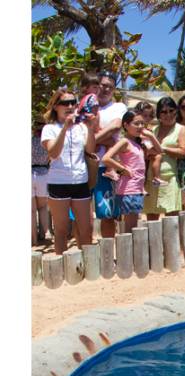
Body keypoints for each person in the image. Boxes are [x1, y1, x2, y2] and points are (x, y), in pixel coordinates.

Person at [41, 87, 97, 255]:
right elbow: (53, 153)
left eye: (73, 102)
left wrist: (91, 127)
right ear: (56, 106)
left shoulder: (81, 128)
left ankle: (87, 267)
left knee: (85, 228)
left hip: (80, 181)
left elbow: (91, 150)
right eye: (66, 102)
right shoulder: (49, 129)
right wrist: (65, 128)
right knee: (61, 230)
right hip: (58, 182)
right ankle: (61, 269)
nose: (71, 106)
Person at [101, 110, 163, 235]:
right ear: (126, 125)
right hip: (129, 190)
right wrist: (123, 169)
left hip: (137, 189)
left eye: (142, 123)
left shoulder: (139, 143)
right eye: (136, 124)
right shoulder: (124, 142)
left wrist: (150, 136)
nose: (140, 127)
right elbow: (106, 158)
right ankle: (128, 253)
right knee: (130, 229)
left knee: (133, 227)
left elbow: (159, 150)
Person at [142, 97, 185, 222]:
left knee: (173, 221)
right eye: (164, 112)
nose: (168, 114)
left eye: (171, 110)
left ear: (176, 111)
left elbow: (183, 152)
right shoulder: (153, 130)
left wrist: (161, 148)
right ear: (158, 114)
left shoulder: (181, 129)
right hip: (151, 179)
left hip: (170, 179)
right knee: (151, 221)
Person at [91, 71, 128, 234]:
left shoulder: (119, 107)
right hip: (85, 166)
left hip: (106, 167)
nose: (106, 89)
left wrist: (89, 140)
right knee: (83, 215)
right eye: (103, 85)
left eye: (110, 87)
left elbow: (115, 127)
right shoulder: (85, 105)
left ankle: (110, 253)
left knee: (108, 213)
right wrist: (106, 140)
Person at [32, 121, 52, 245]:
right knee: (43, 208)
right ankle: (44, 234)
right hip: (44, 173)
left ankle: (33, 239)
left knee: (31, 210)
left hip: (30, 172)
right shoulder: (46, 142)